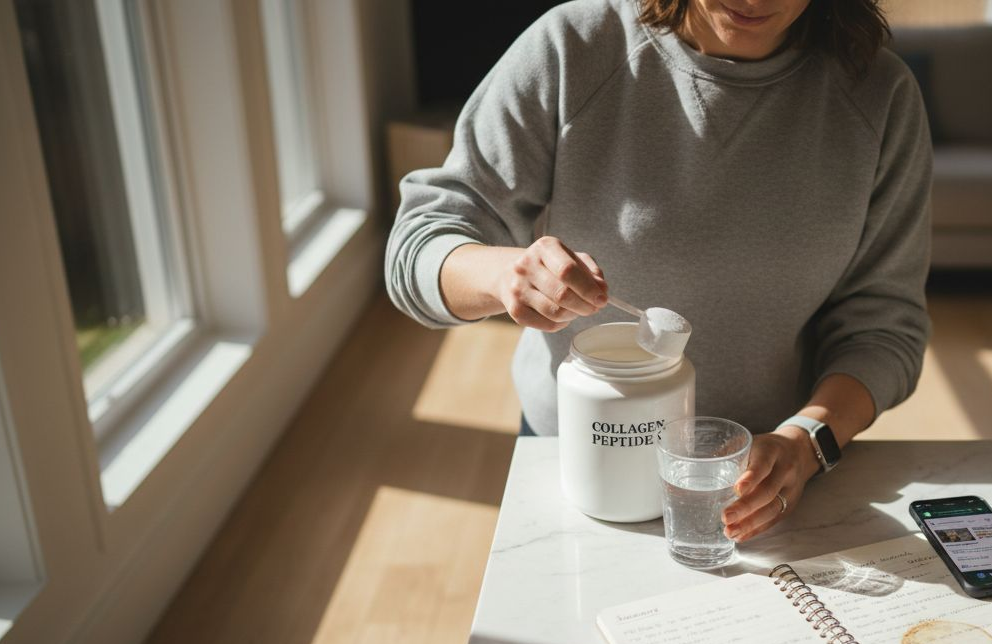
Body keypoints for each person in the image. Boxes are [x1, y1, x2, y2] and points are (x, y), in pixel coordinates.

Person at [387, 0, 931, 543]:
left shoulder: (878, 95)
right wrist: (506, 275)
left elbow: (883, 328)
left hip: (767, 484)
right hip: (576, 459)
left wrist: (806, 443)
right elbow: (416, 248)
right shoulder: (574, 49)